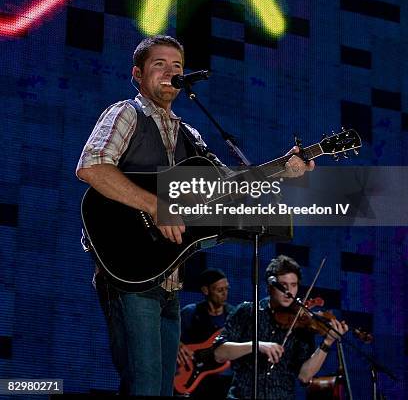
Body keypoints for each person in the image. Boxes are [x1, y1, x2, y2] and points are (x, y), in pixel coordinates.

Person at [76, 35, 312, 397]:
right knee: (143, 386)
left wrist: (284, 169)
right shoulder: (126, 113)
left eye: (177, 67)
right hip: (128, 272)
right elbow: (92, 168)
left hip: (170, 279)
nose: (171, 72)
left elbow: (232, 185)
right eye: (160, 65)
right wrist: (156, 206)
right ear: (137, 74)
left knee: (162, 390)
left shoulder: (191, 134)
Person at [214, 255, 348, 400]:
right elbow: (219, 353)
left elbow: (304, 376)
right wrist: (257, 345)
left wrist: (327, 343)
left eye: (294, 285)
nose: (288, 291)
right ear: (270, 286)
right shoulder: (247, 312)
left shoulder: (302, 323)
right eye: (283, 285)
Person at [177, 268, 235, 398]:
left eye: (227, 289)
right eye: (219, 290)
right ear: (205, 290)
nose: (225, 293)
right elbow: (170, 337)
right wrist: (178, 345)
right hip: (193, 378)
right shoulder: (190, 312)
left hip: (225, 381)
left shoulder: (233, 315)